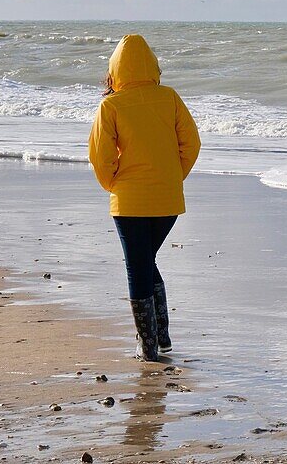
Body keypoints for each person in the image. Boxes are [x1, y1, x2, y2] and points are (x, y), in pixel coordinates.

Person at [88, 34, 201, 361]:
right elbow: (191, 144)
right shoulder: (170, 98)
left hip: (130, 201)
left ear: (115, 70)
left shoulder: (110, 105)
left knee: (138, 268)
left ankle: (148, 347)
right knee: (145, 262)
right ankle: (161, 339)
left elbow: (100, 156)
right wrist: (171, 177)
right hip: (167, 203)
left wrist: (114, 185)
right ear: (152, 65)